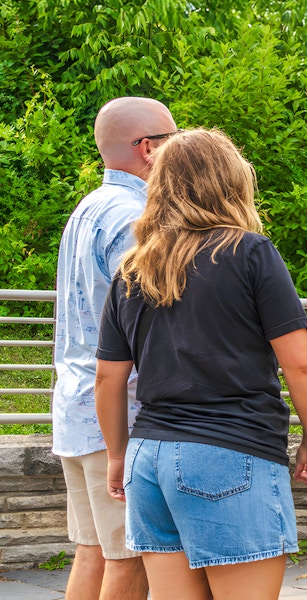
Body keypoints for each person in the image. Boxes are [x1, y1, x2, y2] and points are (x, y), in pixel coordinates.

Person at [93, 128, 307, 600]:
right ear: (230, 182)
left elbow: (108, 378)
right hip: (230, 450)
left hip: (148, 458)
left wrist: (117, 455)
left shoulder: (132, 269)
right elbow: (301, 364)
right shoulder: (249, 252)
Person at [52, 96, 178, 600]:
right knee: (131, 559)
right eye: (174, 140)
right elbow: (148, 323)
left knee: (94, 551)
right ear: (147, 148)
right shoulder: (134, 218)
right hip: (118, 415)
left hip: (75, 405)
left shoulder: (87, 208)